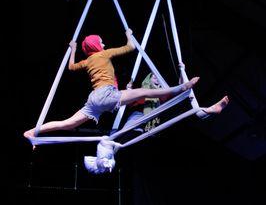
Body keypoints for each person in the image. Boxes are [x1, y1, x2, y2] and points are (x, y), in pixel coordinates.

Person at [24, 29, 200, 141]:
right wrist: (129, 34)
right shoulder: (104, 54)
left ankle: (33, 131)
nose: (104, 44)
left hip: (93, 100)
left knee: (67, 124)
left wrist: (73, 48)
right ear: (96, 45)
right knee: (143, 92)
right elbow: (129, 47)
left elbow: (70, 67)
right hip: (106, 95)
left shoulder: (87, 61)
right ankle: (181, 88)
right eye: (101, 42)